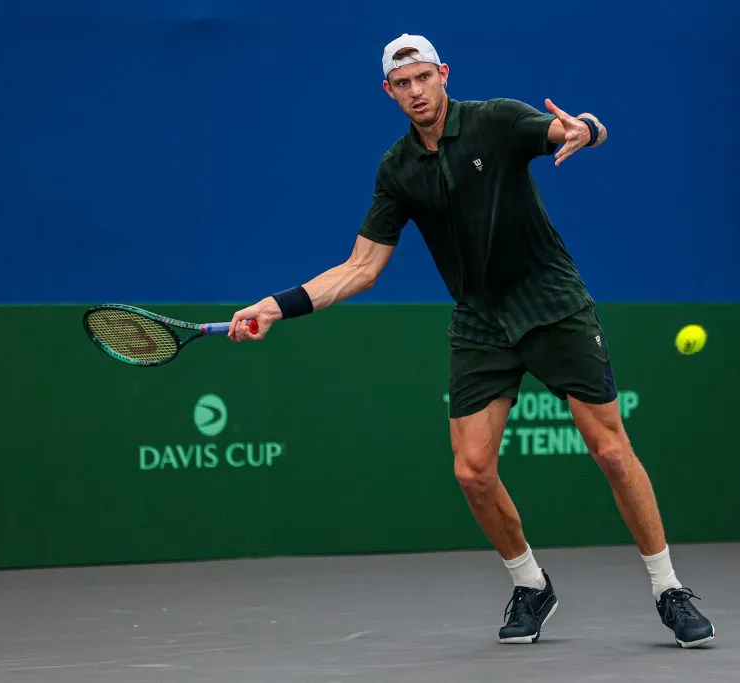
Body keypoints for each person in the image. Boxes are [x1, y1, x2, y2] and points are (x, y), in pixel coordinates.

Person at [228, 33, 715, 649]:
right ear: (389, 92)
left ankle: (668, 588)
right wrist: (275, 307)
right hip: (481, 322)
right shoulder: (398, 169)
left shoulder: (497, 121)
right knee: (472, 471)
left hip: (553, 304)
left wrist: (586, 130)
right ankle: (531, 584)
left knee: (612, 450)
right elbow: (361, 267)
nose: (415, 92)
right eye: (402, 84)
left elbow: (572, 130)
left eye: (423, 78)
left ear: (443, 74)